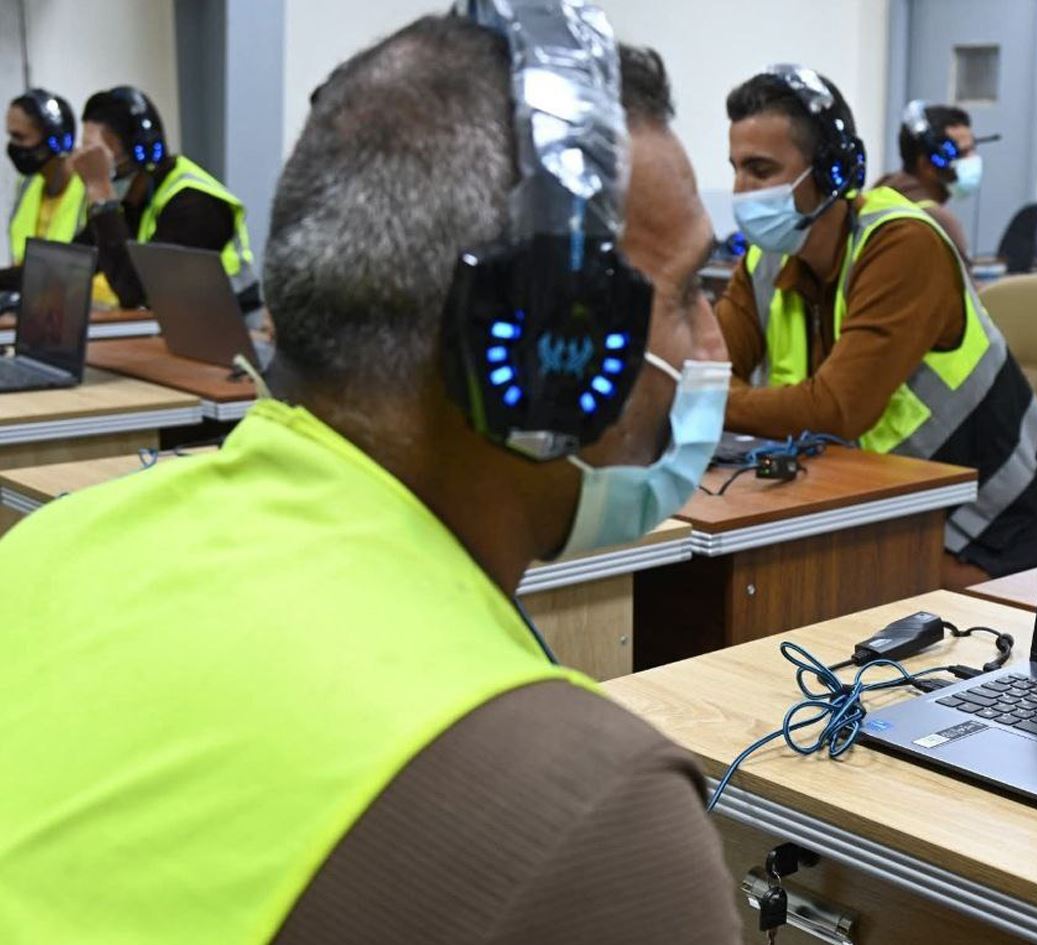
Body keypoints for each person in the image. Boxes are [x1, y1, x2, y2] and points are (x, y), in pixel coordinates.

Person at [0, 11, 740, 945]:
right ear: (546, 351)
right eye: (687, 294)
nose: (714, 347)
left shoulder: (49, 545)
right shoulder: (593, 813)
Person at [715, 65, 1037, 584]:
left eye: (761, 171)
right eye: (736, 168)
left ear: (833, 172)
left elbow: (836, 409)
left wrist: (715, 400)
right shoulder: (764, 260)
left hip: (994, 527)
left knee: (790, 593)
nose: (742, 191)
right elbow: (702, 368)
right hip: (876, 510)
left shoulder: (902, 244)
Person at [68, 85, 260, 312]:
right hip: (176, 327)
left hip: (229, 330)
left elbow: (137, 293)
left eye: (96, 157)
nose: (85, 166)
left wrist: (100, 193)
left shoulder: (195, 203)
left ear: (142, 153)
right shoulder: (134, 202)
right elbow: (72, 263)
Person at [1, 88, 85, 292]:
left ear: (55, 140)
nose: (13, 146)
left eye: (20, 137)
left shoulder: (88, 189)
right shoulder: (27, 184)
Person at [872, 100, 980, 258]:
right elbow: (963, 283)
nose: (973, 159)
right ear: (927, 165)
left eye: (973, 149)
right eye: (962, 153)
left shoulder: (880, 195)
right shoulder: (936, 223)